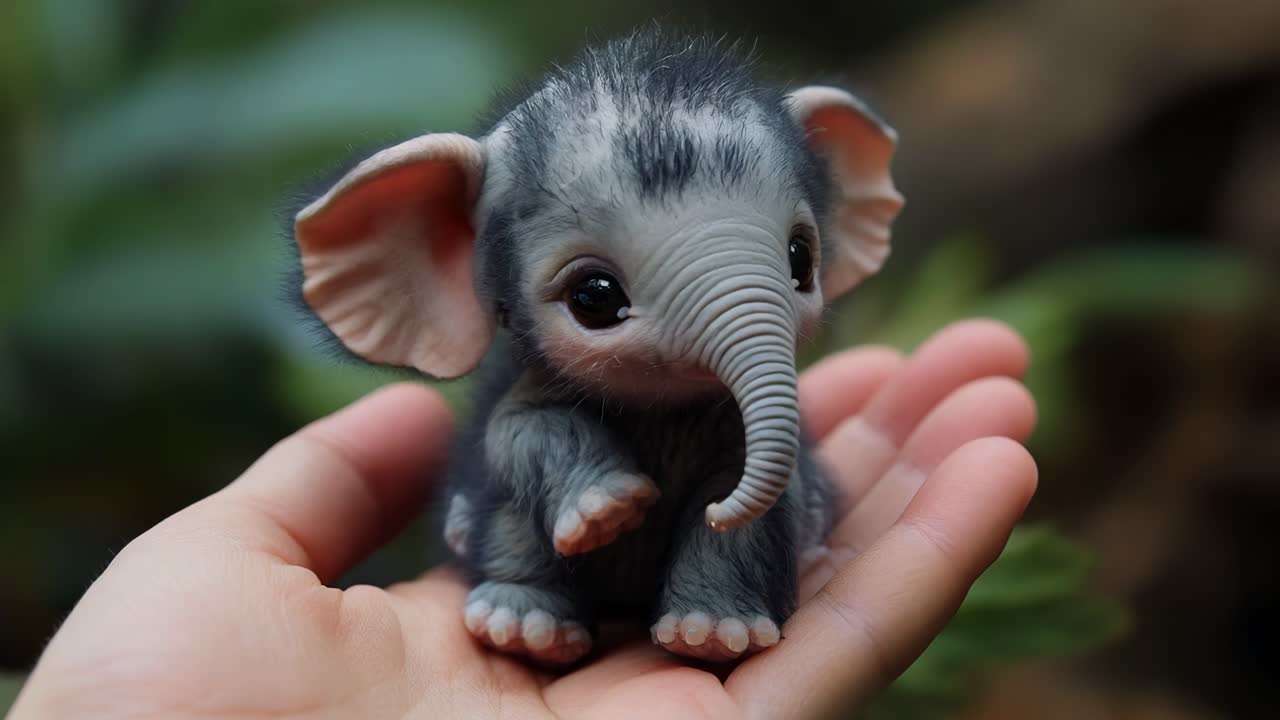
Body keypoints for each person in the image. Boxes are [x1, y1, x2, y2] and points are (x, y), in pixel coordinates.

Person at [8, 320, 1038, 720]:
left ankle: (713, 594)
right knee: (516, 476)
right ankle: (530, 588)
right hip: (544, 549)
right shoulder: (530, 366)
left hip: (715, 509)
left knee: (749, 492)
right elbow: (512, 448)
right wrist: (576, 481)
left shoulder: (741, 374)